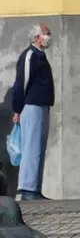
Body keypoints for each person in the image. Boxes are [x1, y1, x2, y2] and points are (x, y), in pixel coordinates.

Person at [11, 24, 54, 200]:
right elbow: (21, 83)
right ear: (37, 37)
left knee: (39, 148)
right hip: (32, 106)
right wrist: (17, 109)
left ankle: (35, 188)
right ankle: (27, 189)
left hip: (42, 106)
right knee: (31, 146)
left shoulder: (40, 56)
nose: (49, 37)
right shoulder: (30, 55)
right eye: (46, 34)